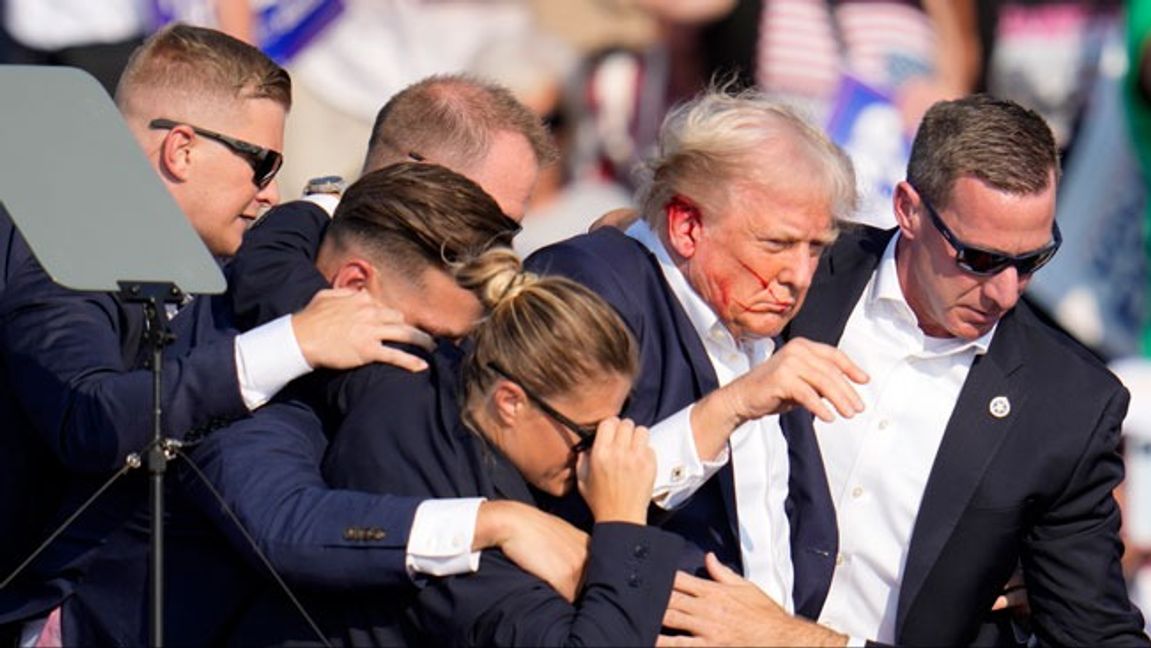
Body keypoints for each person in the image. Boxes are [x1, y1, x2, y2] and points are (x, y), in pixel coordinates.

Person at [660, 94, 1150, 646]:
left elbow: (1094, 632)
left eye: (1033, 260)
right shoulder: (800, 271)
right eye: (981, 259)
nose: (1006, 292)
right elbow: (649, 262)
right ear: (908, 209)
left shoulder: (1067, 405)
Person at [0, 24, 428, 645]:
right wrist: (296, 342)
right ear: (181, 150)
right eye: (262, 165)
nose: (270, 193)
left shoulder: (206, 263)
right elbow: (89, 418)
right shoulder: (56, 239)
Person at [180, 164, 591, 640]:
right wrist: (493, 522)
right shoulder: (249, 377)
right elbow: (285, 526)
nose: (439, 369)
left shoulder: (304, 273)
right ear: (354, 286)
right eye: (429, 338)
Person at [525, 86, 867, 626]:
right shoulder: (593, 285)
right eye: (777, 244)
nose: (800, 276)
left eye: (816, 247)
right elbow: (565, 484)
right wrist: (733, 404)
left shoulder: (748, 300)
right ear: (687, 225)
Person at [309, 246, 681, 646]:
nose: (600, 454)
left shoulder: (427, 387)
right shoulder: (451, 509)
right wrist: (623, 522)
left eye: (617, 422)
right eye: (588, 434)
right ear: (511, 402)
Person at [229, 72, 556, 329]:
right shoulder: (252, 260)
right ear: (417, 176)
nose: (501, 250)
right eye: (492, 221)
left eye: (509, 233)